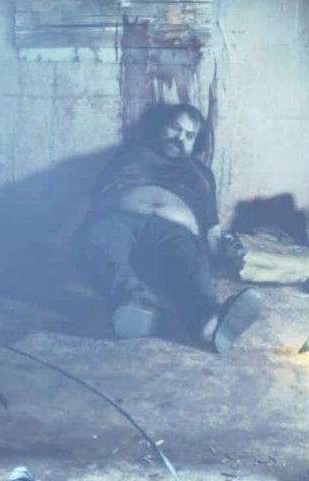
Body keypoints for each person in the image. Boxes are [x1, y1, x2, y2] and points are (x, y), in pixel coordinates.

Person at [70, 104, 265, 353]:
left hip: (174, 234)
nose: (180, 138)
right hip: (120, 221)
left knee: (188, 257)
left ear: (195, 143)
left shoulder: (202, 175)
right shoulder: (131, 154)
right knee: (99, 238)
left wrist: (229, 253)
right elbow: (93, 201)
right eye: (175, 128)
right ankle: (134, 303)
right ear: (162, 127)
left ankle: (208, 321)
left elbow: (212, 233)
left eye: (189, 135)